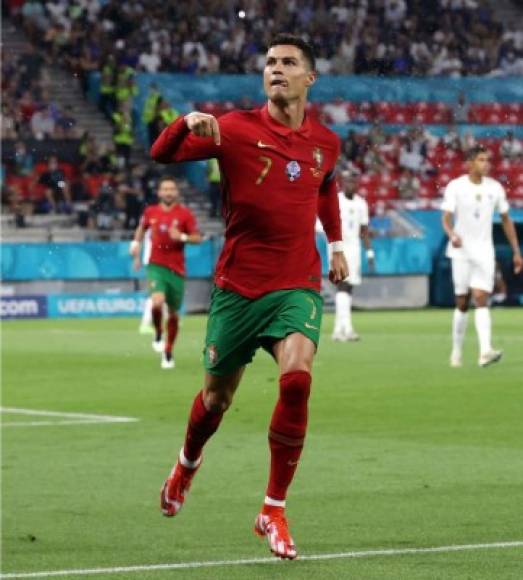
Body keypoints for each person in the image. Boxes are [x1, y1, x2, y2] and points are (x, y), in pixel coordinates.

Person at [150, 33, 347, 560]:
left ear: (310, 78)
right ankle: (186, 465)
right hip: (238, 287)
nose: (276, 69)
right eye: (270, 63)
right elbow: (160, 154)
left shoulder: (326, 142)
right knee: (216, 400)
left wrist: (338, 244)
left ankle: (273, 509)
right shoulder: (234, 128)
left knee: (298, 377)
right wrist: (185, 122)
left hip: (296, 282)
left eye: (288, 63)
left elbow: (325, 186)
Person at [441, 145, 522, 368]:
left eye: (487, 159)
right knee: (462, 302)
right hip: (461, 251)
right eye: (481, 160)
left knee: (481, 298)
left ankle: (484, 351)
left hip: (485, 252)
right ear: (469, 163)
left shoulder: (495, 188)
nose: (486, 163)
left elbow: (506, 219)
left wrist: (516, 251)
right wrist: (452, 234)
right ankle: (456, 351)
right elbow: (446, 218)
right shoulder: (455, 186)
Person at [130, 177, 202, 369]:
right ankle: (158, 331)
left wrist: (183, 237)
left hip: (177, 269)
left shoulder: (185, 214)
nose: (168, 192)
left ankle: (168, 350)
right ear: (159, 193)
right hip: (156, 266)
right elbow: (141, 228)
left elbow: (198, 238)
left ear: (176, 192)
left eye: (172, 189)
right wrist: (135, 244)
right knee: (157, 301)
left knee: (174, 314)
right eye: (165, 189)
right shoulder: (150, 212)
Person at [330, 171, 374, 341]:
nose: (351, 185)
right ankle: (347, 329)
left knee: (348, 288)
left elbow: (364, 231)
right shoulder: (336, 201)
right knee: (342, 284)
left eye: (354, 182)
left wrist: (370, 252)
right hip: (338, 247)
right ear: (342, 183)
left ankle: (337, 330)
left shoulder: (361, 204)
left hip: (354, 248)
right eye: (348, 182)